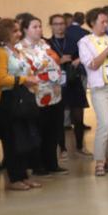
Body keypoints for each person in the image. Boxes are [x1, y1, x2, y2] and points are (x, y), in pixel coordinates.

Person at [0, 17, 44, 192]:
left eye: (18, 30)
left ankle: (23, 176)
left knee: (25, 140)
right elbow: (1, 79)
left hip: (23, 98)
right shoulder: (0, 53)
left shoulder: (18, 51)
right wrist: (24, 79)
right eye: (14, 31)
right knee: (12, 141)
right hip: (8, 101)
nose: (19, 34)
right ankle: (14, 178)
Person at [78, 8, 108, 177]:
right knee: (104, 124)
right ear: (92, 23)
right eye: (102, 22)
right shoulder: (85, 42)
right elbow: (92, 65)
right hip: (100, 88)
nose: (106, 25)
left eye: (107, 22)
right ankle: (99, 161)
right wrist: (107, 49)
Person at [16, 13, 66, 177]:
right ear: (25, 30)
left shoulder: (45, 44)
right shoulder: (20, 48)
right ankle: (37, 164)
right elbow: (27, 70)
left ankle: (52, 162)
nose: (38, 30)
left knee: (53, 129)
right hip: (36, 93)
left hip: (54, 92)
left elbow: (56, 62)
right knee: (38, 130)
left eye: (40, 26)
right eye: (34, 27)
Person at [48, 13, 89, 156]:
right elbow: (43, 63)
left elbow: (84, 56)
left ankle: (80, 146)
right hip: (57, 82)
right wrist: (59, 60)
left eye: (61, 24)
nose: (59, 27)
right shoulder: (48, 43)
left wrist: (79, 60)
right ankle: (62, 148)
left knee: (78, 116)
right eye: (56, 24)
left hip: (73, 80)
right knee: (59, 117)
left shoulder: (73, 41)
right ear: (51, 26)